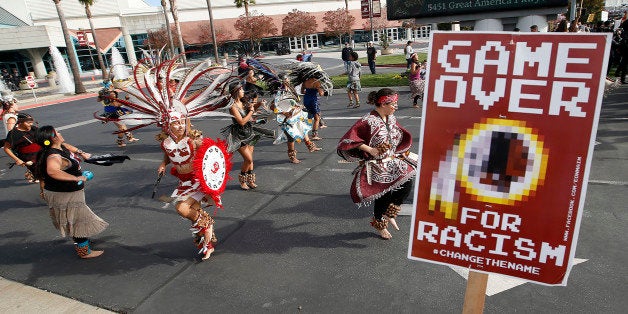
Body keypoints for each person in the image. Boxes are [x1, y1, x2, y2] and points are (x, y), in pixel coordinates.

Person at [337, 88, 416, 239]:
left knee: (407, 182)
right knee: (383, 196)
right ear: (383, 103)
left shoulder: (391, 118)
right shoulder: (368, 121)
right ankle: (379, 223)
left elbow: (396, 135)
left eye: (396, 104)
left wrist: (399, 149)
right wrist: (371, 150)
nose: (395, 107)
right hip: (376, 165)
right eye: (393, 104)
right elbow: (348, 139)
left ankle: (389, 212)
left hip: (392, 160)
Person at [34, 125, 108, 258]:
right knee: (78, 220)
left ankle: (82, 243)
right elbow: (52, 171)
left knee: (73, 219)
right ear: (52, 138)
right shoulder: (53, 155)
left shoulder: (56, 148)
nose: (60, 133)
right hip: (65, 194)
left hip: (64, 192)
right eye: (57, 132)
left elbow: (67, 146)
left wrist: (82, 153)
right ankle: (84, 252)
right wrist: (76, 177)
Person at [157, 111, 218, 260]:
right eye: (175, 123)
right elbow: (168, 154)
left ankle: (207, 223)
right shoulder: (166, 143)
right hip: (183, 182)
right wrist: (163, 164)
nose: (180, 126)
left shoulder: (193, 140)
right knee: (193, 216)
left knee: (181, 208)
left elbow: (212, 155)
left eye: (182, 122)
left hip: (196, 181)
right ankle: (208, 246)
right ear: (168, 126)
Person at [222, 83, 274, 190]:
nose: (243, 91)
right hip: (239, 135)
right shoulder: (233, 107)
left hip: (249, 132)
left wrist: (258, 104)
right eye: (241, 89)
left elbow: (251, 108)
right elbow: (241, 121)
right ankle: (242, 180)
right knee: (248, 159)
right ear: (236, 92)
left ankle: (250, 180)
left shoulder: (243, 102)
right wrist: (251, 111)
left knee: (251, 159)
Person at [3, 113, 43, 187]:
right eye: (28, 122)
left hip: (40, 153)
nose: (31, 124)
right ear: (20, 122)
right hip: (27, 156)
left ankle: (34, 173)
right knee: (40, 175)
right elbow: (6, 148)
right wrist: (17, 159)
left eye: (31, 122)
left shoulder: (34, 129)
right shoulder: (14, 134)